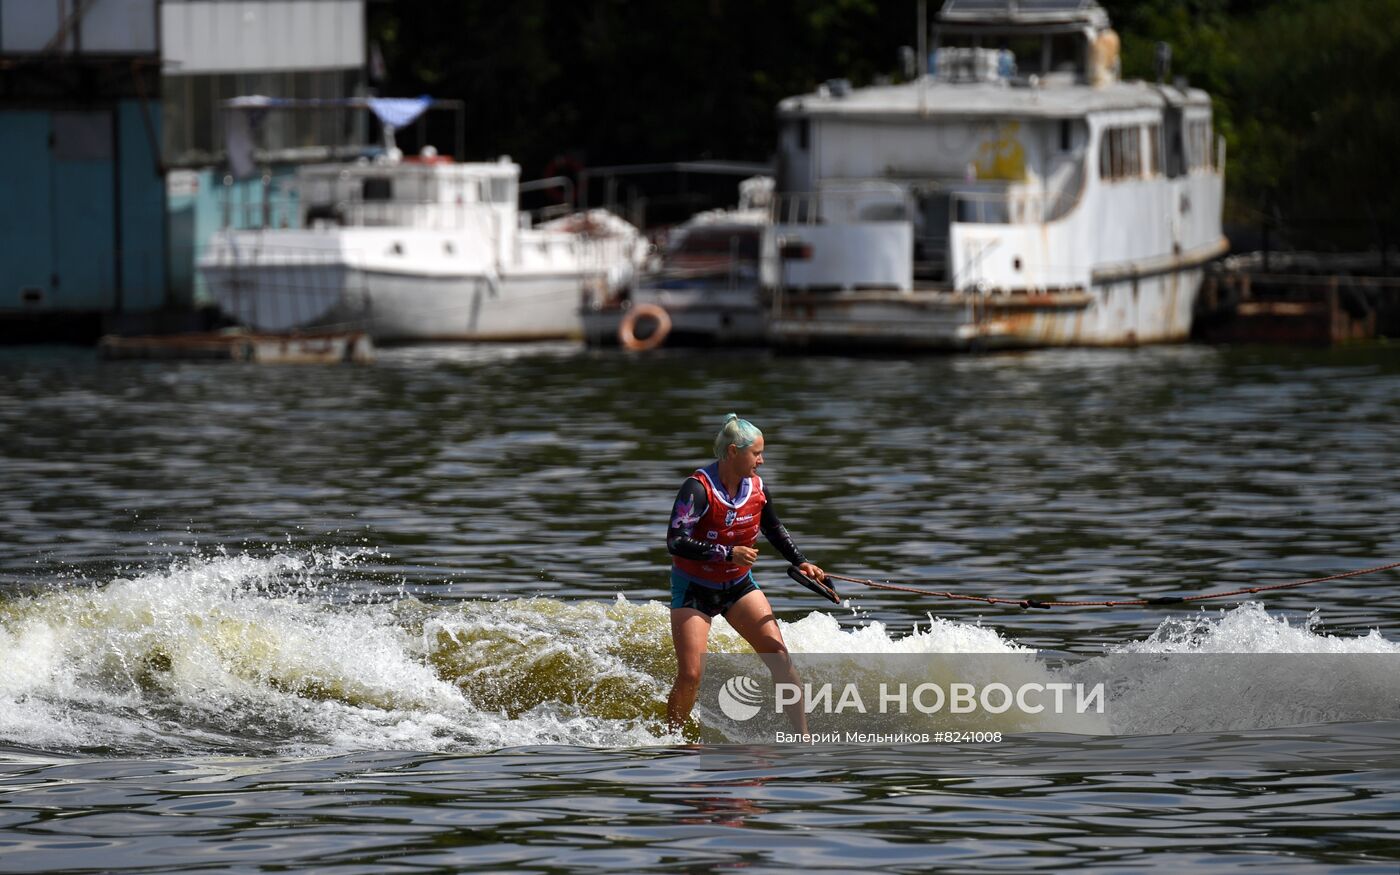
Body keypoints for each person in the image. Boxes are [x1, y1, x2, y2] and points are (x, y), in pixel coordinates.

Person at [665, 413, 827, 732]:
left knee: (780, 657)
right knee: (691, 674)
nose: (762, 461)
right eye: (756, 453)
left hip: (738, 586)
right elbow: (675, 540)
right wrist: (728, 552)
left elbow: (774, 528)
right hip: (695, 589)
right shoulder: (697, 489)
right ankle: (672, 740)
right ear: (732, 453)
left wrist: (802, 562)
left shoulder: (756, 487)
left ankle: (804, 740)